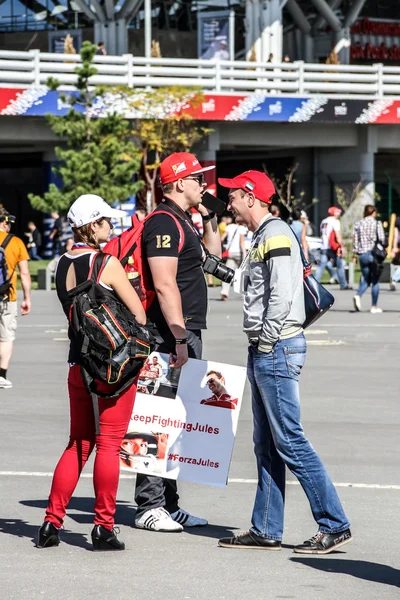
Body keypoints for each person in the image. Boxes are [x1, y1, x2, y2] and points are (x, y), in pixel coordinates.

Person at [217, 170, 352, 554]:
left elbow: (282, 293)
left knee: (289, 440)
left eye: (233, 195)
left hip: (275, 346)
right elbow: (249, 284)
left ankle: (334, 524)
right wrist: (211, 265)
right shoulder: (261, 235)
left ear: (250, 196)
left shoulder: (275, 234)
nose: (228, 202)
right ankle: (266, 528)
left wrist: (265, 340)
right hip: (267, 346)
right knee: (267, 444)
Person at [37, 194, 147, 552]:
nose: (111, 227)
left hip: (78, 364)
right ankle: (103, 526)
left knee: (78, 443)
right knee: (110, 444)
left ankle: (51, 523)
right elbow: (139, 315)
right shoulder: (107, 263)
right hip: (112, 367)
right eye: (106, 222)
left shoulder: (60, 265)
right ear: (93, 224)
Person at [134, 151, 221, 533]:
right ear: (179, 182)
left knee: (179, 422)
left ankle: (168, 504)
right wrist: (180, 336)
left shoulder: (186, 219)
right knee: (156, 419)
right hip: (166, 335)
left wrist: (212, 217)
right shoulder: (164, 223)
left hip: (184, 333)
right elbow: (165, 283)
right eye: (198, 178)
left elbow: (214, 260)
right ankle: (148, 506)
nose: (204, 184)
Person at [0, 209, 31, 389]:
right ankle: (2, 375)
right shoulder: (16, 242)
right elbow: (25, 274)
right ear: (5, 223)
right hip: (7, 296)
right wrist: (27, 298)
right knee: (6, 337)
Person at [352, 205, 386, 314]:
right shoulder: (377, 223)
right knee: (375, 280)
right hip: (374, 254)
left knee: (366, 279)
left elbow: (355, 240)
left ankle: (358, 295)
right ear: (373, 212)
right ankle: (374, 306)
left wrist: (355, 254)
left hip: (362, 254)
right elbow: (381, 238)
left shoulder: (358, 224)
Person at [315, 207, 349, 289]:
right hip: (333, 247)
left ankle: (314, 283)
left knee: (321, 266)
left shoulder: (324, 221)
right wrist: (342, 247)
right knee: (340, 265)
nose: (339, 214)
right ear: (334, 213)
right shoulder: (335, 221)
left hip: (324, 247)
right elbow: (338, 236)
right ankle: (343, 285)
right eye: (337, 212)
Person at [220, 219, 246, 301]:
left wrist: (223, 248)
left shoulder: (229, 227)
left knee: (227, 273)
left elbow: (222, 238)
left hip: (230, 252)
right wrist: (245, 254)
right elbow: (241, 242)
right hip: (239, 253)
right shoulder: (242, 228)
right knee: (243, 273)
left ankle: (224, 292)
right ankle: (245, 294)